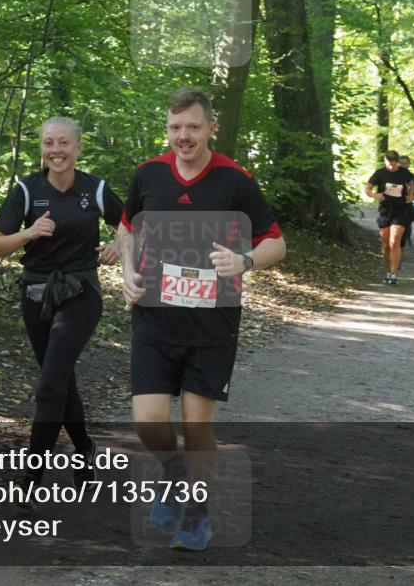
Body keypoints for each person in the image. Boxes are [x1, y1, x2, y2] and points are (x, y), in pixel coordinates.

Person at [117, 88, 286, 551]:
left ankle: (196, 514)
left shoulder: (235, 180)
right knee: (149, 421)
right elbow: (128, 226)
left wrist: (245, 261)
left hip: (213, 323)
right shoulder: (148, 174)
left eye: (193, 127)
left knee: (196, 426)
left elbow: (276, 242)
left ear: (211, 128)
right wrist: (128, 270)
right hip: (155, 316)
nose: (183, 136)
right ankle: (173, 478)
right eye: (175, 128)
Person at [0, 116, 124, 507]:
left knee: (49, 385)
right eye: (49, 143)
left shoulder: (94, 189)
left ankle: (29, 483)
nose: (56, 151)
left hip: (81, 293)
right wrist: (28, 233)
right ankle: (85, 452)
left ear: (78, 148)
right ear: (42, 148)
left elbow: (135, 224)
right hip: (35, 294)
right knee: (60, 382)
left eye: (64, 143)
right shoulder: (26, 190)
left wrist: (119, 244)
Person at [365, 150, 414, 285]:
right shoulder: (379, 173)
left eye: (394, 164)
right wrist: (375, 196)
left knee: (394, 241)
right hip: (385, 210)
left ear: (397, 162)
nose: (392, 167)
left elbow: (412, 184)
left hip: (401, 210)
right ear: (385, 162)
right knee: (386, 244)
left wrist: (410, 196)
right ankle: (388, 270)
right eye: (389, 164)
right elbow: (367, 189)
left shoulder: (404, 173)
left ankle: (394, 273)